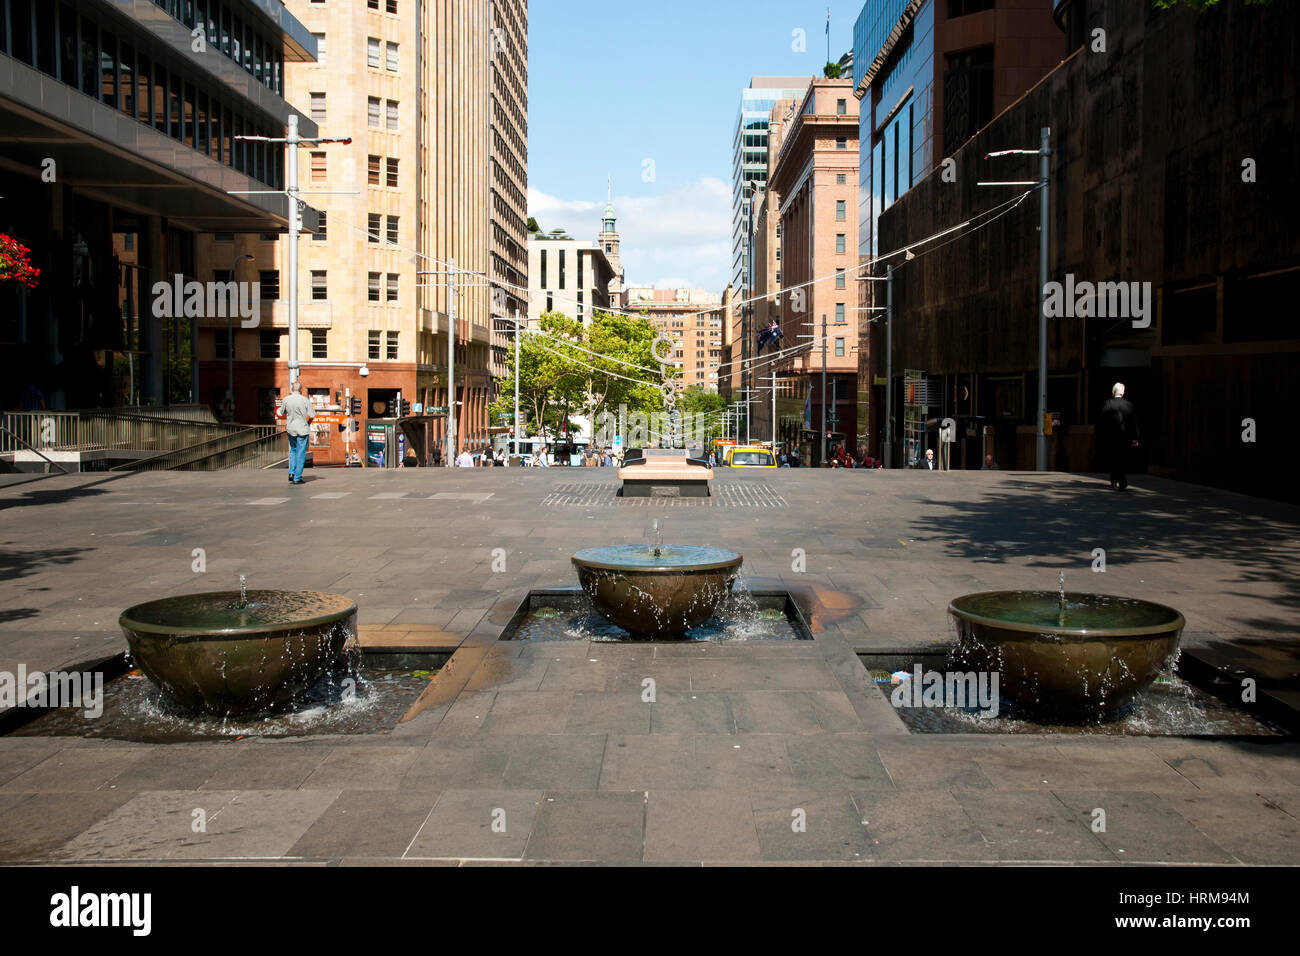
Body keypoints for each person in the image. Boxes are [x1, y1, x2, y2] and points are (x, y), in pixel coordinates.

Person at [1099, 382, 1140, 490]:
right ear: (1123, 392)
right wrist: (1135, 438)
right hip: (1125, 437)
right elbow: (1133, 423)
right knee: (1120, 458)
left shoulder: (1107, 403)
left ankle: (1116, 480)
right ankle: (1119, 481)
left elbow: (1102, 421)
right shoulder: (1129, 405)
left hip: (1111, 437)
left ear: (1113, 392)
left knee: (1113, 458)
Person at [277, 381, 313, 484]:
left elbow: (282, 412)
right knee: (301, 453)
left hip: (291, 428)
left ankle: (291, 472)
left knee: (293, 450)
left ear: (292, 389)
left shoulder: (286, 399)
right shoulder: (305, 400)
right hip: (302, 428)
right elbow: (311, 415)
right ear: (301, 390)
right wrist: (308, 423)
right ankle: (297, 477)